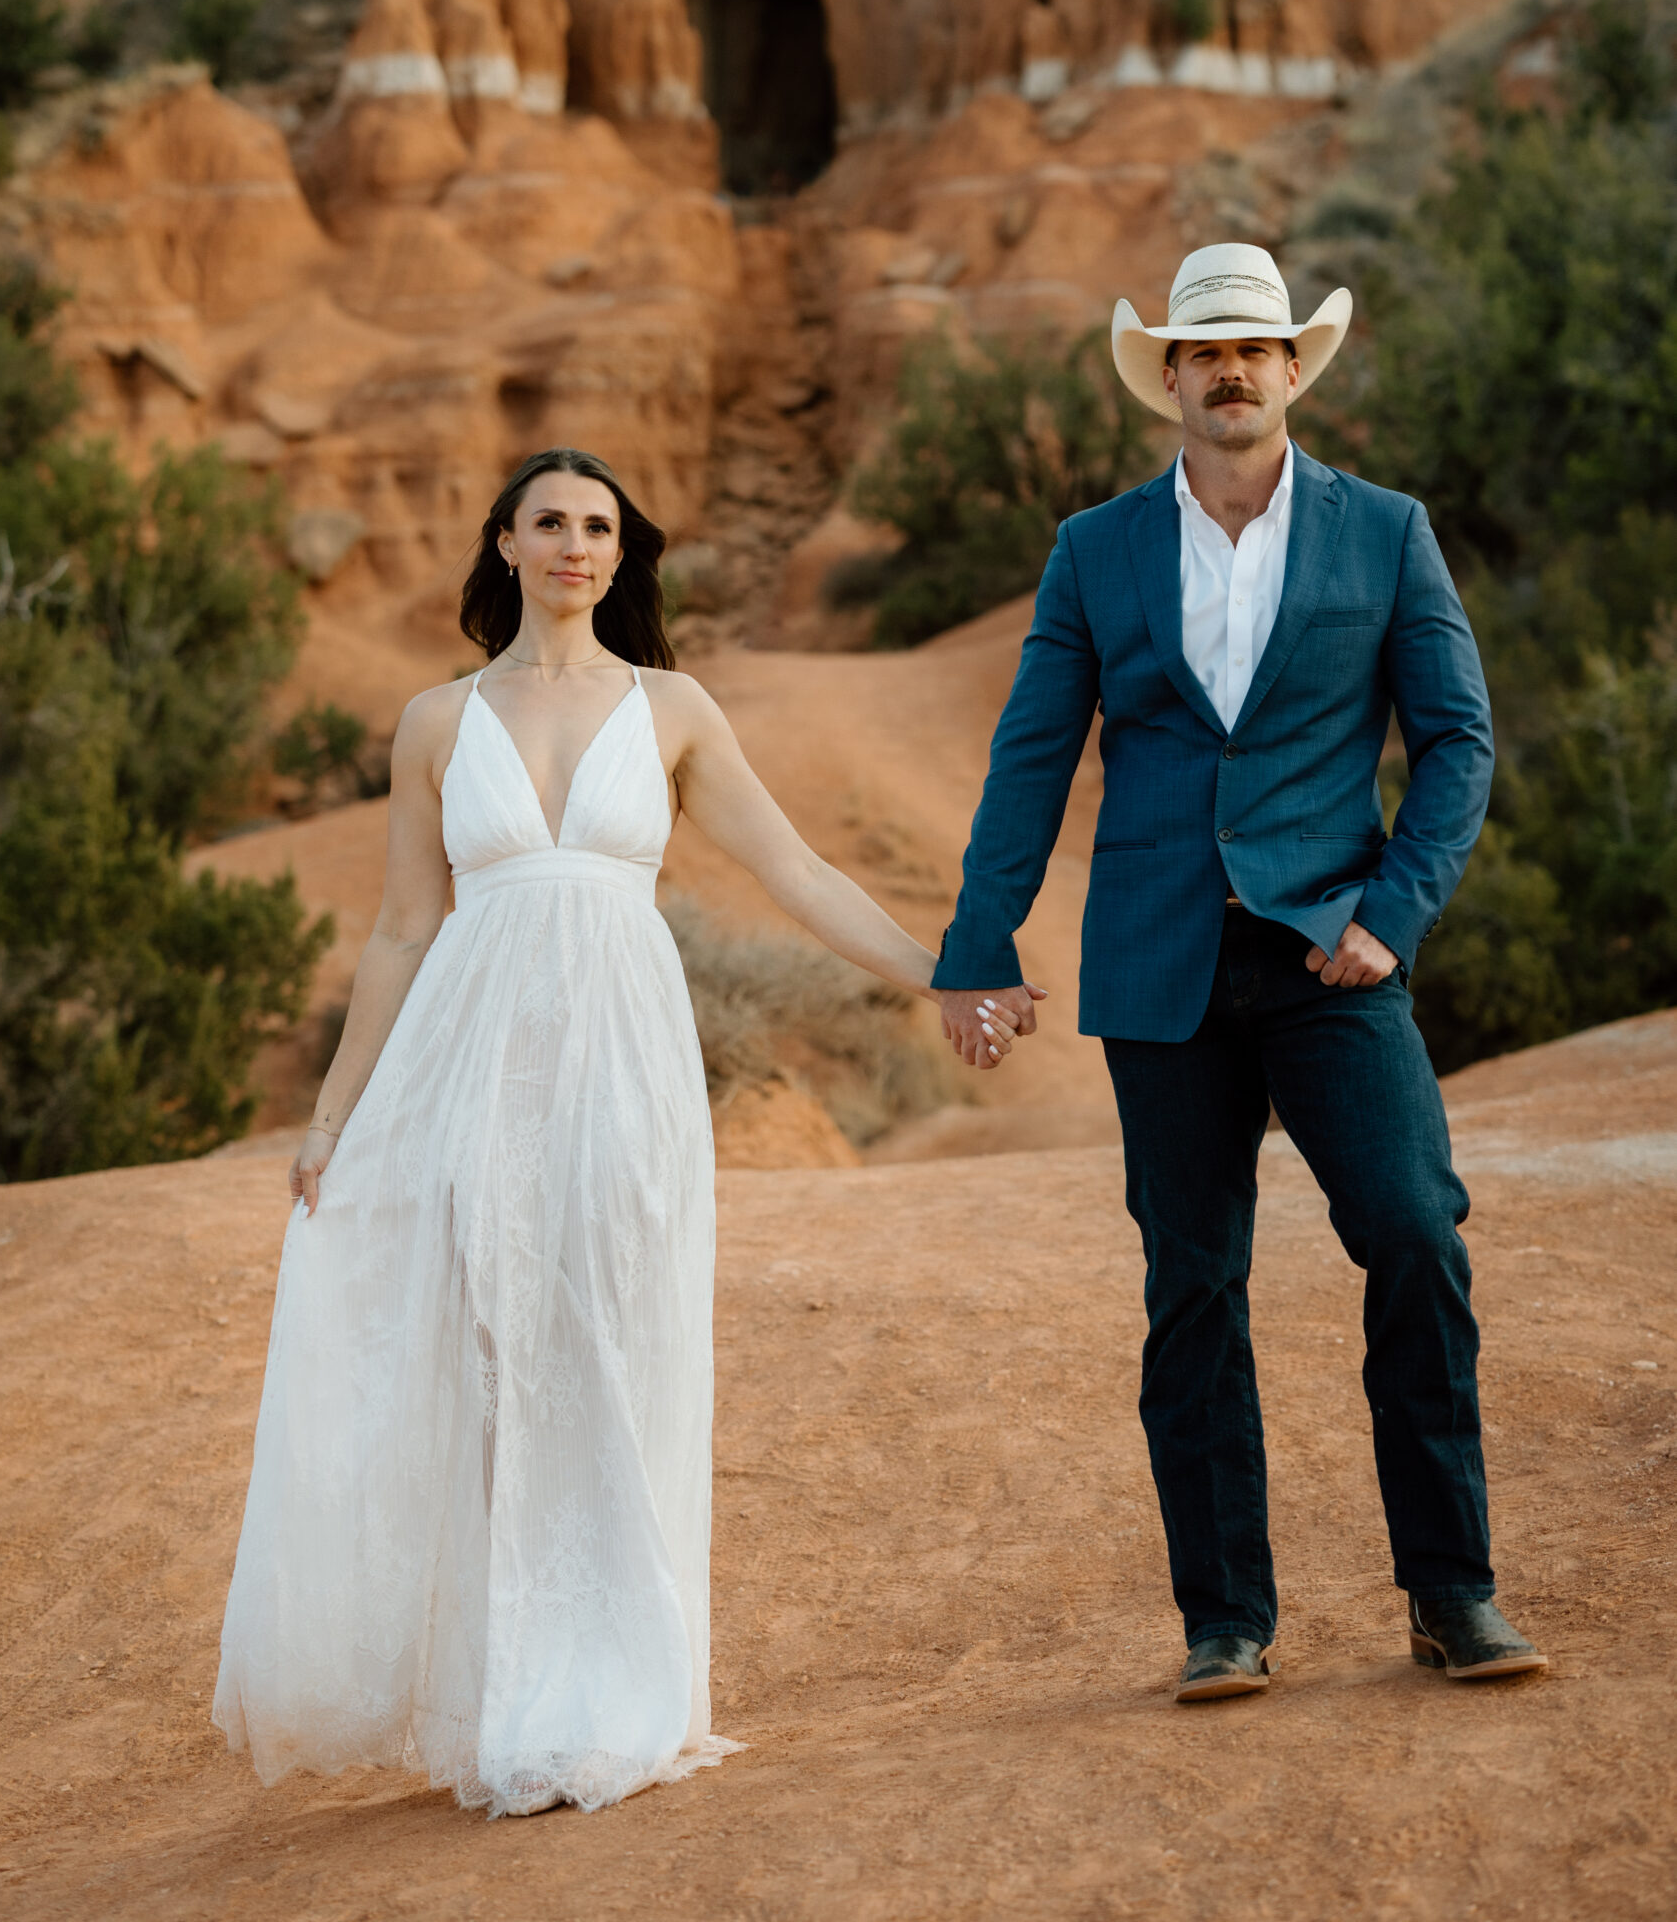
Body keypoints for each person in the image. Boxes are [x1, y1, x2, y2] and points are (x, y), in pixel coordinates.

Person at [214, 447, 1008, 1815]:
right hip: (473, 1059)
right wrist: (331, 1119)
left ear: (621, 555)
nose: (577, 545)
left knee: (615, 1333)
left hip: (625, 1063)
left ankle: (618, 1692)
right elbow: (405, 928)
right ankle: (510, 1698)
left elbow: (797, 871)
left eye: (600, 526)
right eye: (551, 523)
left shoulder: (676, 708)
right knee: (492, 1350)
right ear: (506, 545)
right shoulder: (433, 723)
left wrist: (943, 968)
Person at [931, 244, 1547, 1702]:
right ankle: (1226, 1621)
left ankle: (1453, 1594)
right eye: (1203, 351)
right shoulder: (1096, 550)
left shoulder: (1385, 531)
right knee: (1192, 1286)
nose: (1231, 370)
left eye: (1258, 348)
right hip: (1160, 966)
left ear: (1292, 368)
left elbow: (1458, 739)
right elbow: (1034, 755)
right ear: (1168, 378)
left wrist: (1396, 906)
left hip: (1335, 956)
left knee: (1412, 1235)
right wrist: (980, 941)